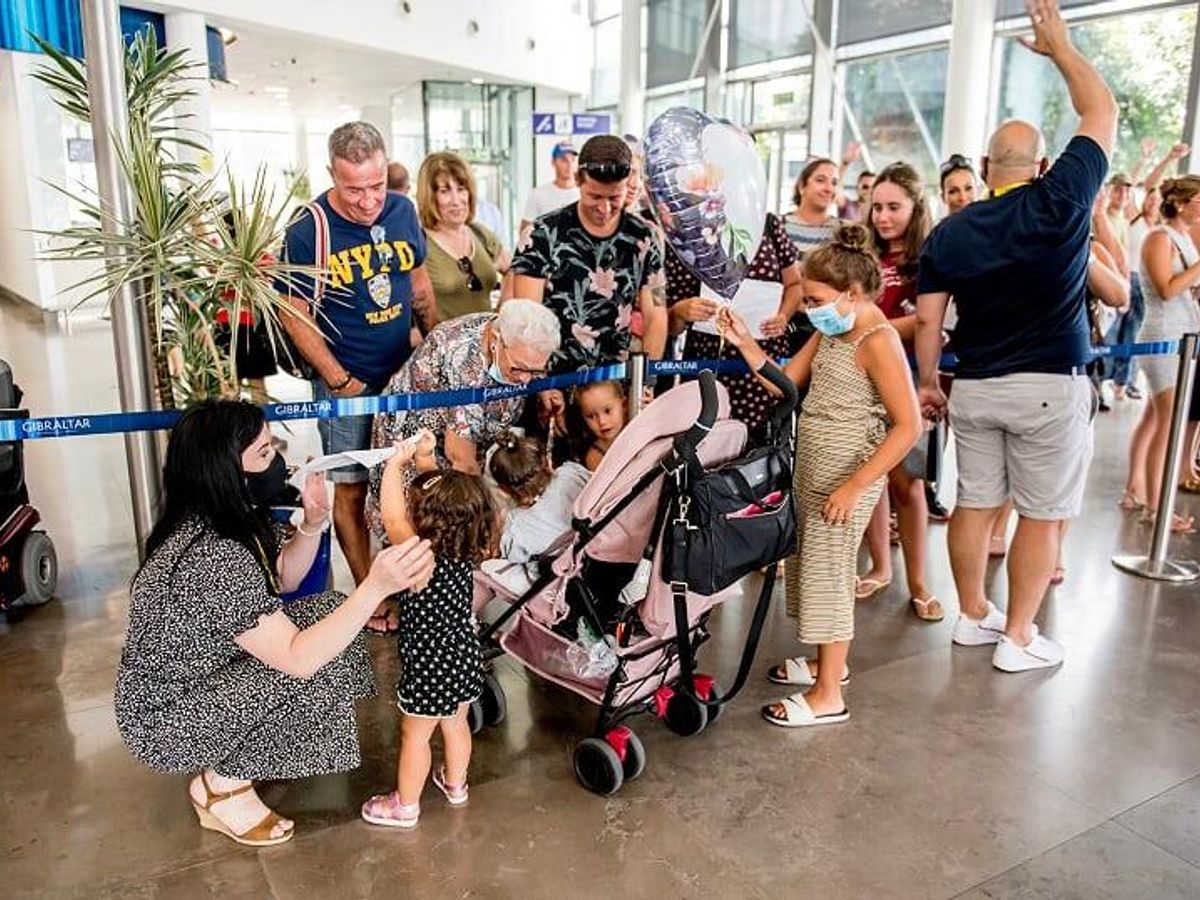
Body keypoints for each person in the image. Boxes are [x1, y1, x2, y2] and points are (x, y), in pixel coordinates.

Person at [114, 401, 436, 847]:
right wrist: (375, 587)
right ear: (227, 469)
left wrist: (313, 523)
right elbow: (298, 658)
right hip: (168, 721)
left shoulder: (223, 516)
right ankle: (222, 787)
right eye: (265, 453)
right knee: (317, 658)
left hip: (204, 679)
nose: (279, 462)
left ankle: (244, 755)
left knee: (328, 615)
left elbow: (280, 579)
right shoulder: (212, 555)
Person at [915, 0, 1117, 673]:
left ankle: (974, 615)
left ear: (984, 165)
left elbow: (929, 318)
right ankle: (1020, 637)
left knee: (974, 505)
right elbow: (1102, 111)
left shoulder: (950, 231)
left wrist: (927, 383)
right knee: (1041, 513)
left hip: (975, 387)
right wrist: (1060, 49)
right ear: (1043, 163)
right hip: (1048, 388)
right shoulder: (1062, 199)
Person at [719, 224, 920, 727]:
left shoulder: (878, 341)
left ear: (851, 294)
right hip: (815, 467)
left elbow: (908, 426)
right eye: (807, 300)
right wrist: (745, 343)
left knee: (830, 573)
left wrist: (855, 486)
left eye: (815, 300)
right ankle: (828, 663)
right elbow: (786, 384)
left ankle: (829, 693)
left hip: (847, 474)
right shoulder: (832, 330)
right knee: (813, 566)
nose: (809, 309)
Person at [276, 122, 436, 591]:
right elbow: (294, 314)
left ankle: (411, 577)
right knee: (351, 487)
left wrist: (434, 349)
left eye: (376, 185)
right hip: (347, 383)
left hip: (404, 377)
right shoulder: (309, 228)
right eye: (354, 189)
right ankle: (372, 590)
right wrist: (339, 380)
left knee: (407, 475)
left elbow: (419, 283)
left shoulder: (402, 210)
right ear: (332, 174)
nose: (368, 201)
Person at [361, 434, 497, 829]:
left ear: (427, 521)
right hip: (464, 656)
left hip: (430, 668)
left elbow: (392, 520)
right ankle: (456, 784)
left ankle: (405, 806)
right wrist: (424, 457)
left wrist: (393, 467)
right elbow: (442, 491)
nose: (409, 511)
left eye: (414, 507)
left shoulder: (421, 559)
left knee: (415, 736)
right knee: (456, 724)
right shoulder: (461, 546)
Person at [366, 299, 562, 539]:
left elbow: (527, 365)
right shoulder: (462, 361)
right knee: (423, 526)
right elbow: (462, 460)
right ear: (496, 341)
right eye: (518, 369)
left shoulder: (515, 335)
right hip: (414, 437)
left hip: (456, 437)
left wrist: (543, 386)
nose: (525, 380)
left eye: (535, 370)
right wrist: (486, 528)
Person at [857, 161, 940, 621]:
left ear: (915, 207)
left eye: (894, 207)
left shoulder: (930, 259)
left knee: (909, 482)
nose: (883, 216)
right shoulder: (866, 257)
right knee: (872, 476)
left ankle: (920, 581)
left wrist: (875, 328)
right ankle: (880, 566)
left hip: (909, 381)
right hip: (864, 381)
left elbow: (930, 320)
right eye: (877, 207)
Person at [511, 134, 668, 374]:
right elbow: (526, 319)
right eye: (595, 196)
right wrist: (538, 380)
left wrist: (646, 378)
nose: (605, 209)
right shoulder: (541, 234)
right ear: (578, 180)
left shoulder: (643, 237)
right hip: (552, 377)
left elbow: (656, 313)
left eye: (615, 198)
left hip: (616, 379)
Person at [665, 212, 801, 444]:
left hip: (763, 367)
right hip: (706, 367)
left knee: (761, 445)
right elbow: (670, 326)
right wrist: (680, 311)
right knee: (703, 443)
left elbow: (795, 284)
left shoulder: (767, 223)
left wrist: (784, 316)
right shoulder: (685, 229)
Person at [1121, 175, 1200, 531]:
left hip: (1184, 336)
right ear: (1181, 204)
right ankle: (1156, 508)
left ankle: (1135, 489)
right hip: (1163, 337)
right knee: (1168, 423)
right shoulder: (1159, 238)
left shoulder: (1184, 238)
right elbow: (1166, 289)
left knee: (1154, 418)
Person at [416, 151, 509, 321]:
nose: (456, 200)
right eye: (445, 191)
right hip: (441, 337)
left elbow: (514, 269)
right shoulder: (419, 243)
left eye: (461, 189)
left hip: (486, 336)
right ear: (430, 197)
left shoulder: (480, 233)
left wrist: (500, 315)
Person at [488, 430, 591, 564]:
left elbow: (515, 564)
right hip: (606, 548)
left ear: (504, 489)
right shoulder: (571, 474)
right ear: (546, 461)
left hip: (570, 571)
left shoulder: (514, 530)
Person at [518, 140, 579, 237]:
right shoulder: (538, 194)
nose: (569, 164)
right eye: (564, 159)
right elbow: (525, 230)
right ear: (553, 162)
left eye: (573, 160)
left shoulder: (584, 193)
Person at [566, 378, 629, 471]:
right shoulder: (595, 457)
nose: (602, 421)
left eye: (607, 411)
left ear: (624, 405)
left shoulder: (639, 422)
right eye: (591, 416)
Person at [835, 141, 873, 222]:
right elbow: (836, 186)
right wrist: (845, 163)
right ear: (857, 187)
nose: (869, 190)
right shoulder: (848, 206)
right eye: (865, 187)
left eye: (873, 187)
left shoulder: (879, 213)